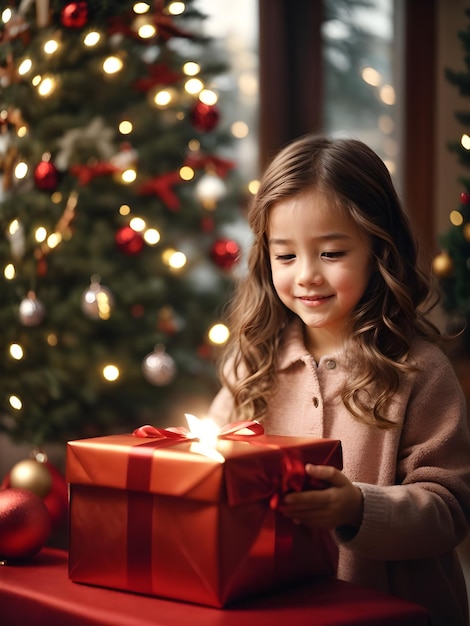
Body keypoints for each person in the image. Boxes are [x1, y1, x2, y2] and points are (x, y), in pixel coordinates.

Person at [208, 134, 470, 625]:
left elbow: (450, 509)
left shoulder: (420, 371)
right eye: (285, 256)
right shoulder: (253, 365)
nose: (305, 275)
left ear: (379, 250)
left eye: (330, 253)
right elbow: (212, 463)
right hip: (274, 606)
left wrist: (357, 507)